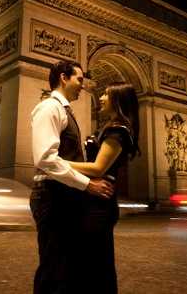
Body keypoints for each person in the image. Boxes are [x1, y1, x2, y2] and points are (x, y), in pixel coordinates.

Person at [30, 60, 115, 294]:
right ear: (63, 78)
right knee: (53, 268)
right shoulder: (50, 108)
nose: (83, 85)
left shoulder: (64, 110)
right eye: (79, 79)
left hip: (63, 196)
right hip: (52, 197)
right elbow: (45, 159)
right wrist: (87, 184)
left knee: (66, 267)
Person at [70, 82, 140, 294]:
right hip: (94, 200)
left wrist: (55, 163)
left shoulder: (118, 132)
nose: (100, 98)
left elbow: (98, 167)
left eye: (106, 94)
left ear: (117, 100)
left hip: (99, 203)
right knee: (94, 263)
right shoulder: (111, 128)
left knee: (97, 265)